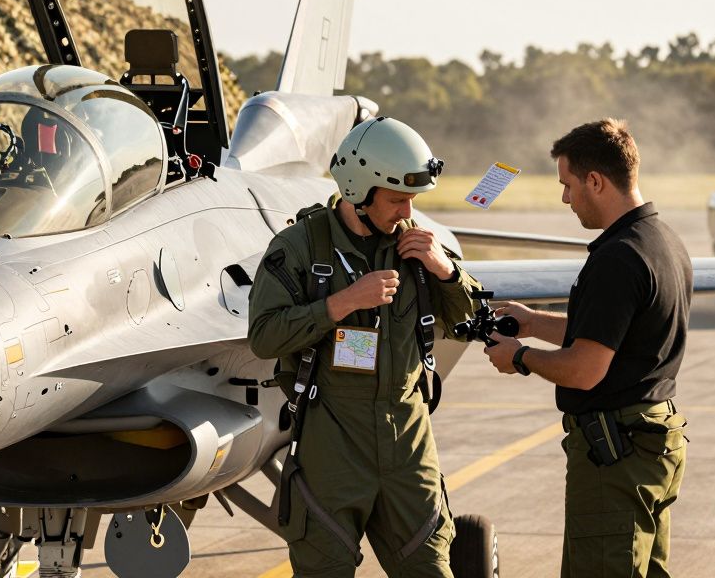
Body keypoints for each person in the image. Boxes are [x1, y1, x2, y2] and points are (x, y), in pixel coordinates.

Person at [248, 116, 481, 578]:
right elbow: (265, 336)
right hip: (333, 445)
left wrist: (446, 271)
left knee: (431, 570)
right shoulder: (298, 248)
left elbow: (470, 323)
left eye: (412, 199)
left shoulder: (418, 247)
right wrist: (341, 303)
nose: (407, 210)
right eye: (396, 199)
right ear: (358, 190)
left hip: (408, 445)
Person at [484, 118, 691, 578]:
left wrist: (518, 357)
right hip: (653, 444)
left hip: (616, 459)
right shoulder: (663, 240)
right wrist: (534, 322)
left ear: (595, 181)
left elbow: (585, 369)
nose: (565, 198)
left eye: (568, 185)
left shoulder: (617, 258)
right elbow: (611, 337)